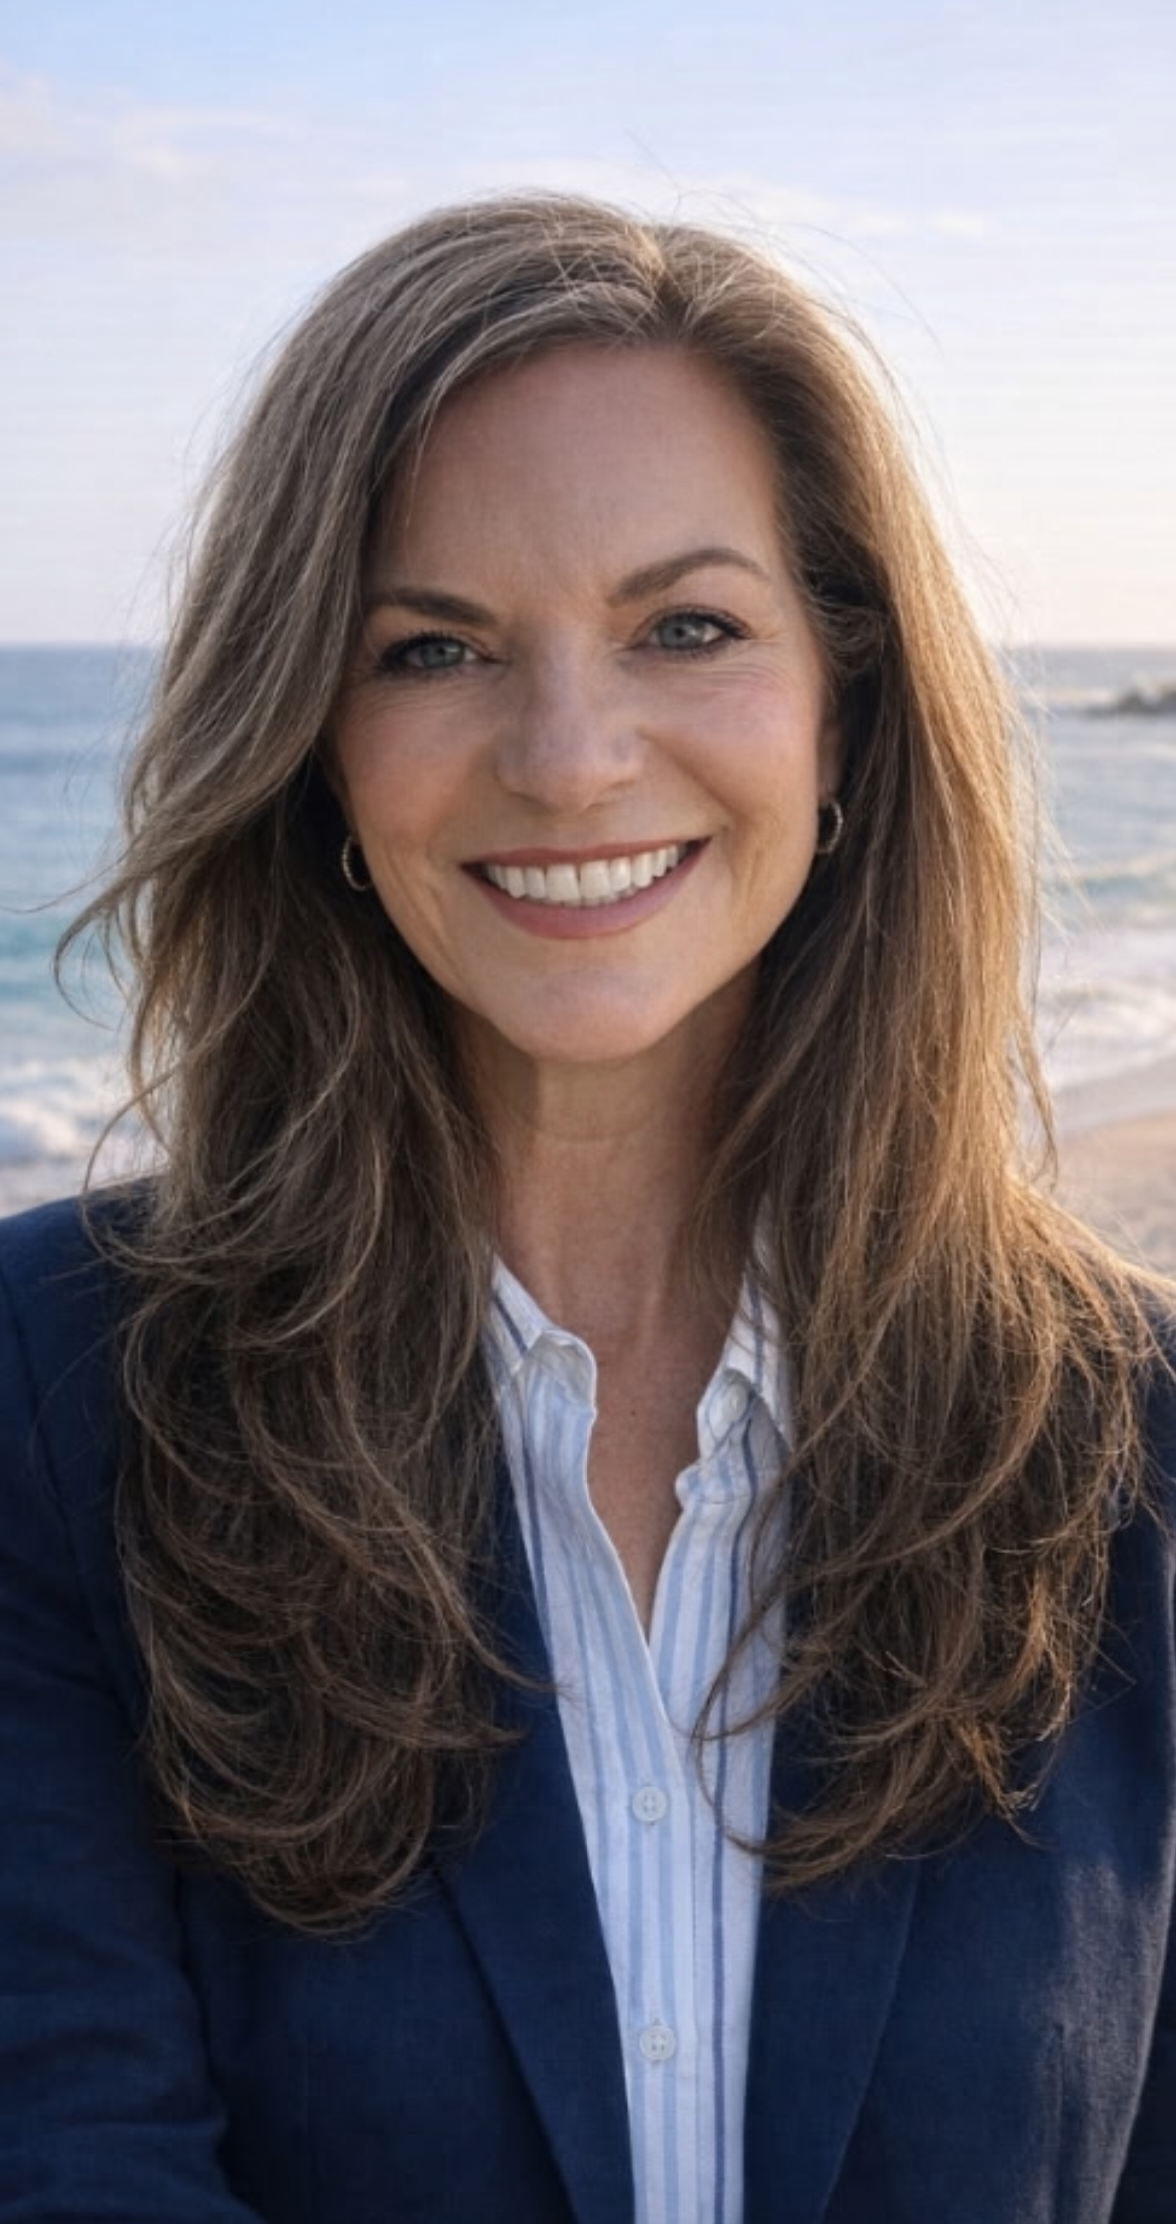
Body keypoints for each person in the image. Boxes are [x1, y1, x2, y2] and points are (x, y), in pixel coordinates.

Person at [0, 194, 1173, 2224]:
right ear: (315, 745)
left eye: (684, 628)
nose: (566, 758)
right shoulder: (49, 1399)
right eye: (433, 648)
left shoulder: (1137, 1432)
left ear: (846, 704)